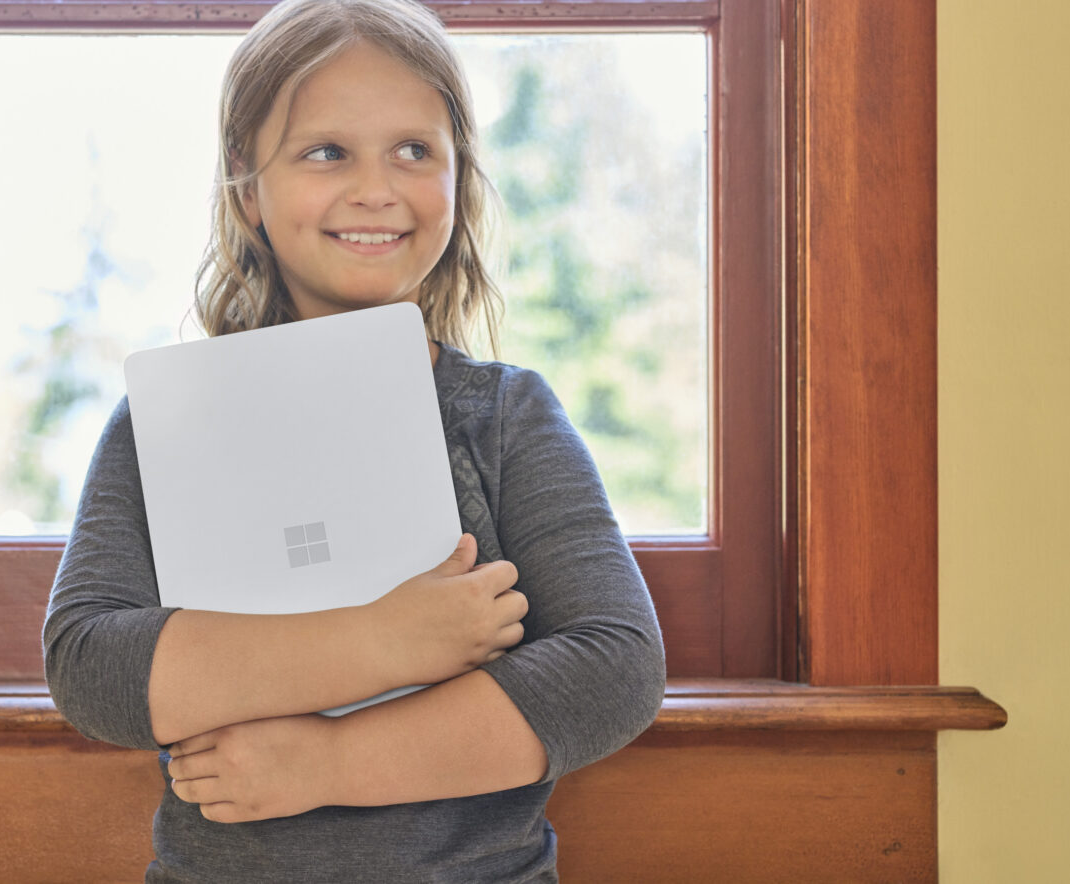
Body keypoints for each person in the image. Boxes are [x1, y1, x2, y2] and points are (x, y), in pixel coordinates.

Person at [43, 0, 666, 879]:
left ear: (459, 178)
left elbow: (614, 668)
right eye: (326, 152)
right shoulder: (166, 420)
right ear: (247, 186)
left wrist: (329, 764)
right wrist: (380, 642)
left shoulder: (503, 417)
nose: (376, 187)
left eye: (413, 150)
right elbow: (92, 666)